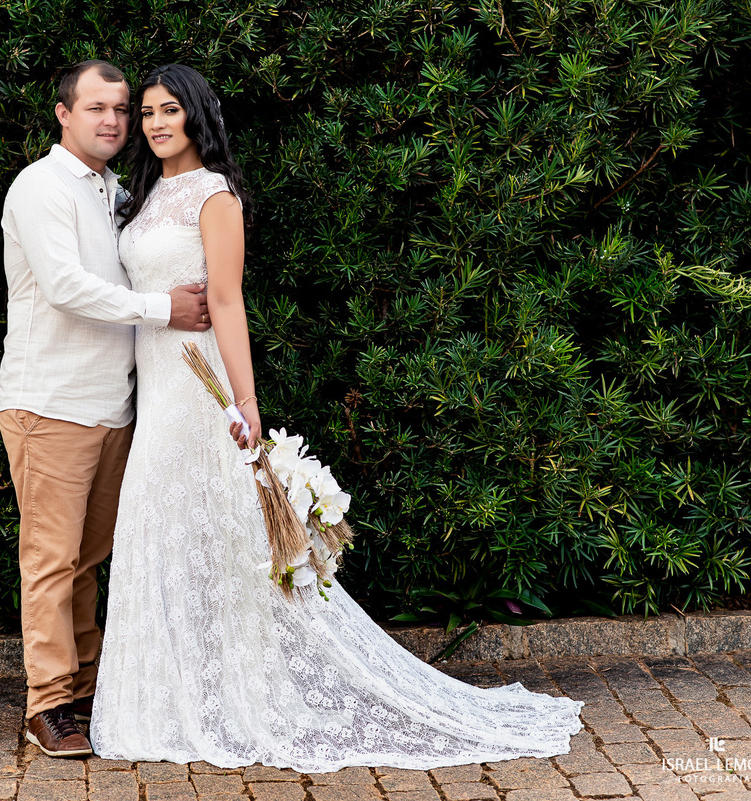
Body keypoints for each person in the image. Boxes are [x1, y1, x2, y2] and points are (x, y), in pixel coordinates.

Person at [89, 64, 584, 772]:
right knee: (158, 523)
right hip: (154, 387)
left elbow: (226, 300)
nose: (157, 123)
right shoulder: (143, 196)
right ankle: (170, 697)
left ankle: (244, 695)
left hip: (201, 388)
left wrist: (246, 402)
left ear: (198, 115)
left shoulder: (213, 195)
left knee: (231, 538)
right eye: (147, 113)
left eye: (171, 110)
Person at [0, 59, 214, 759]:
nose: (114, 120)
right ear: (63, 113)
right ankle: (49, 701)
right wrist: (164, 310)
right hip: (50, 402)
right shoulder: (41, 185)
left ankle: (85, 688)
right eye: (97, 108)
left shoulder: (115, 189)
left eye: (122, 108)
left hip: (113, 406)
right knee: (51, 559)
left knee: (88, 558)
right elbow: (65, 287)